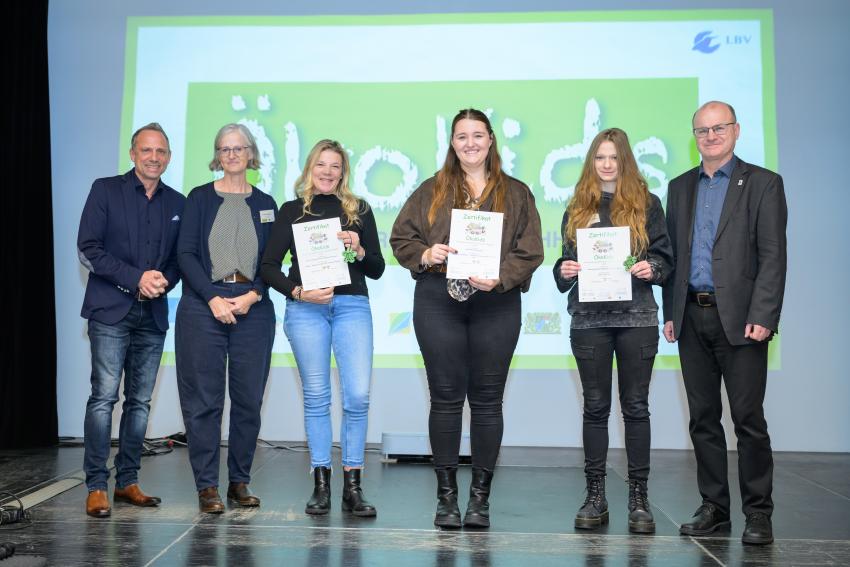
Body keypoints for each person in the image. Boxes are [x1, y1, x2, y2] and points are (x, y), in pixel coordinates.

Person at [390, 108, 544, 529]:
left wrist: (501, 276)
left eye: (478, 135)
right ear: (452, 143)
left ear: (491, 140)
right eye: (462, 136)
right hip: (439, 300)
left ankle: (479, 500)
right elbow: (401, 236)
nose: (470, 143)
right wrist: (425, 254)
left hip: (497, 302)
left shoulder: (516, 192)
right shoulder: (431, 190)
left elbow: (531, 251)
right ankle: (446, 499)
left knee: (488, 400)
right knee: (445, 399)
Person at [663, 101, 787, 545]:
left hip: (742, 321)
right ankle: (714, 506)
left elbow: (773, 256)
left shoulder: (763, 184)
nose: (710, 136)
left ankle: (758, 512)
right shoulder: (678, 188)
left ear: (736, 131)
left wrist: (764, 315)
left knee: (748, 419)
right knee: (702, 418)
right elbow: (672, 257)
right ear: (693, 136)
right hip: (691, 318)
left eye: (719, 128)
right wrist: (670, 313)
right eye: (702, 130)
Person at [553, 128, 673, 534]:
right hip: (589, 322)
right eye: (600, 158)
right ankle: (595, 496)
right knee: (595, 408)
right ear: (592, 163)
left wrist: (651, 267)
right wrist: (564, 269)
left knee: (636, 408)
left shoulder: (647, 205)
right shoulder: (576, 209)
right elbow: (563, 264)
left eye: (614, 158)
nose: (607, 164)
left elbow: (665, 259)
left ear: (626, 163)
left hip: (636, 319)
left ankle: (639, 498)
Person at [260, 139, 385, 517]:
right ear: (309, 169)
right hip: (306, 310)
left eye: (335, 166)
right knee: (316, 398)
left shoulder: (358, 210)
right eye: (321, 165)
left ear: (343, 172)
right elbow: (267, 267)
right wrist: (299, 292)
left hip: (351, 306)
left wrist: (359, 250)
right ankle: (320, 484)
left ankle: (353, 485)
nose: (328, 172)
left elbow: (376, 267)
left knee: (358, 396)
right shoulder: (292, 211)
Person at [77, 122, 185, 517]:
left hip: (152, 315)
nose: (153, 157)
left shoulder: (179, 202)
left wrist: (160, 282)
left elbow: (179, 260)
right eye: (146, 150)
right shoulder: (105, 190)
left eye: (161, 152)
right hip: (110, 310)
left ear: (169, 157)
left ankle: (127, 482)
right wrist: (135, 278)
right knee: (104, 399)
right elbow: (88, 249)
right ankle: (95, 485)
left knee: (139, 403)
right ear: (132, 153)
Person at [175, 123, 277, 514]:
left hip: (253, 307)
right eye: (225, 149)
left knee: (249, 400)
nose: (232, 155)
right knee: (204, 400)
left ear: (251, 154)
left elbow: (271, 261)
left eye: (239, 148)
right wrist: (213, 297)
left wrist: (254, 295)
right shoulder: (199, 198)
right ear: (217, 156)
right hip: (204, 306)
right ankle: (206, 487)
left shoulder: (267, 203)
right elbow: (185, 255)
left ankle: (238, 482)